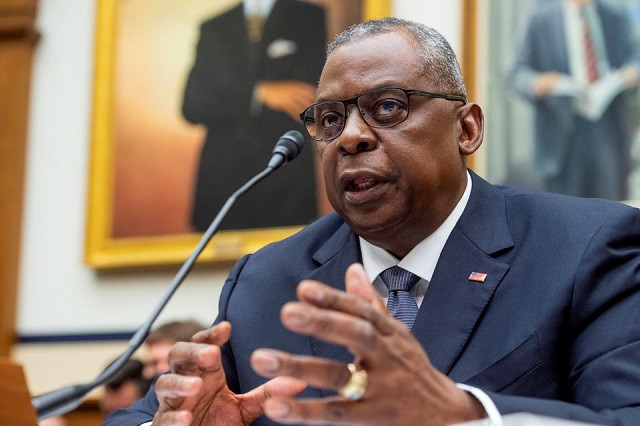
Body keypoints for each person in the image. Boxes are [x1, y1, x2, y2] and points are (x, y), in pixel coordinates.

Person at [105, 17, 640, 425]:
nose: (350, 137)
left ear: (467, 129)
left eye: (387, 107)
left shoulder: (588, 249)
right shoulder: (266, 282)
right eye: (331, 119)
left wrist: (465, 414)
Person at [182, 0, 326, 231]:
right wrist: (258, 93)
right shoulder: (214, 27)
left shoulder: (309, 18)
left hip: (286, 188)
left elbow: (319, 97)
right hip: (222, 187)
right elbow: (193, 105)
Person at [508, 0, 640, 200]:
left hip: (608, 131)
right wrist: (538, 83)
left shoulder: (615, 16)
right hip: (560, 136)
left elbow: (636, 59)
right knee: (562, 215)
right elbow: (516, 75)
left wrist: (631, 74)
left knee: (608, 214)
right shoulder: (540, 19)